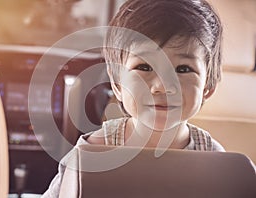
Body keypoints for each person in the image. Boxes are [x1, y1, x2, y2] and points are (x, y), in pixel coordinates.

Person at [42, 0, 225, 197]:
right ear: (118, 85)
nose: (162, 86)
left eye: (183, 69)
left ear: (208, 86)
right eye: (144, 67)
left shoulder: (216, 160)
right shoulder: (95, 151)